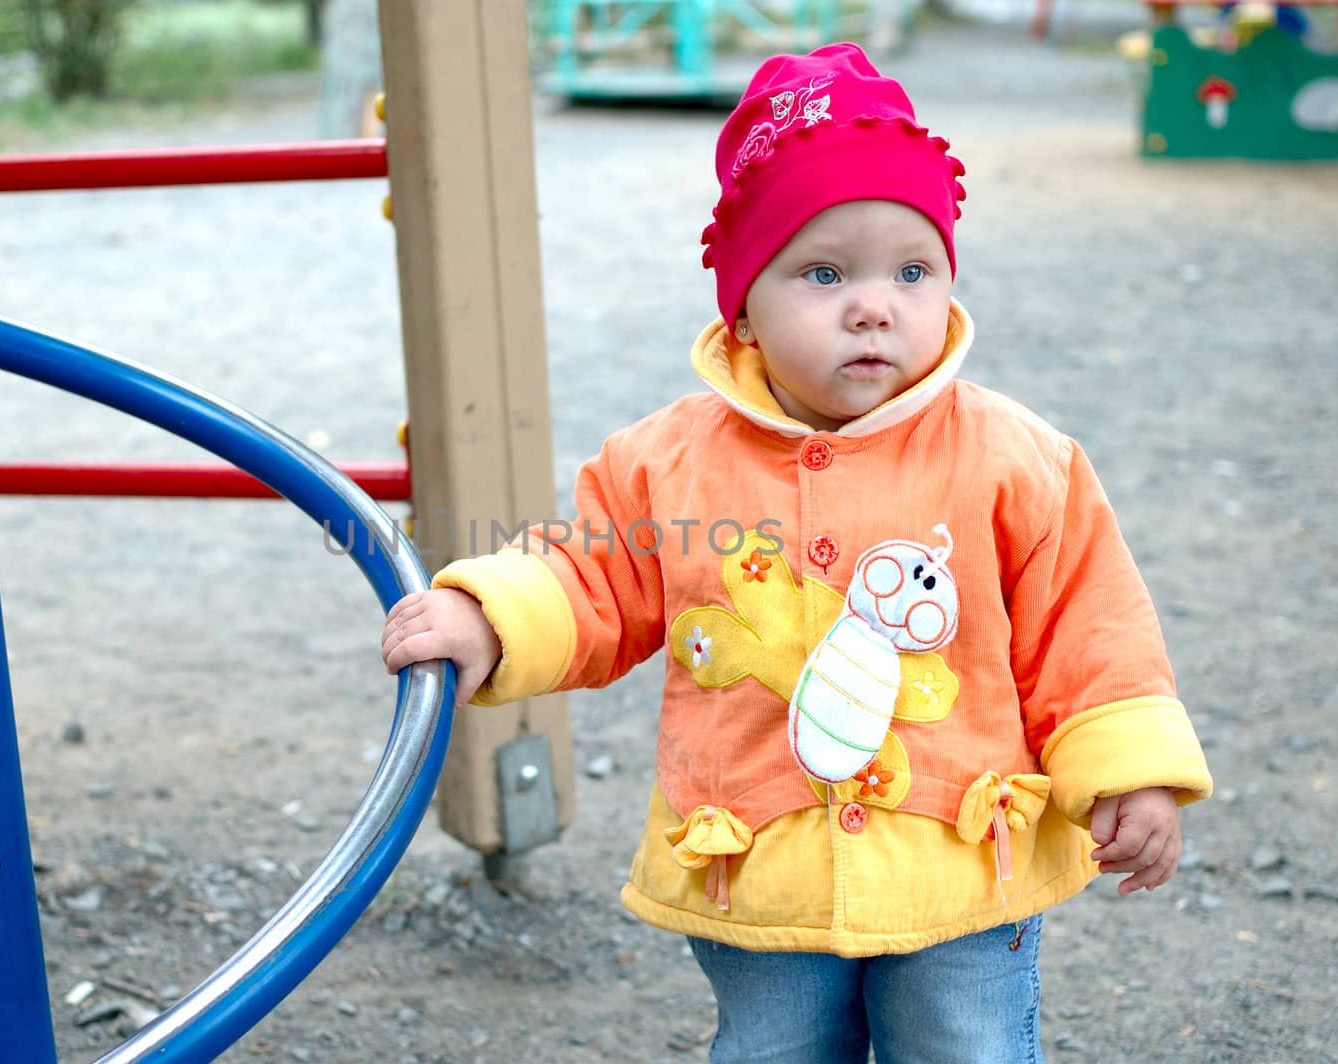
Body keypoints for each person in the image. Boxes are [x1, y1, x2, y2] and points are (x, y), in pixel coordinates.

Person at [380, 44, 1212, 1063]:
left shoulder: (1012, 455)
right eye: (823, 272)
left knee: (966, 1043)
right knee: (772, 1044)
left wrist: (1128, 772)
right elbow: (592, 572)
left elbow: (1089, 625)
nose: (874, 305)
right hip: (757, 855)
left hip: (957, 861)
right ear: (742, 306)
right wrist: (491, 613)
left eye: (911, 270)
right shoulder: (670, 459)